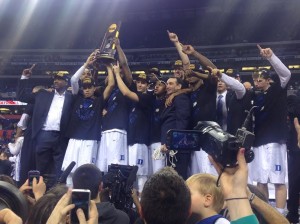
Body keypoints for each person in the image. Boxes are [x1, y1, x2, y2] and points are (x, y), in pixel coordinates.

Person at [249, 45, 291, 214]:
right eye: (255, 80)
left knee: (278, 180)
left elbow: (286, 73)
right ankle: (264, 213)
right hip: (258, 142)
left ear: (268, 80)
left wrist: (271, 57)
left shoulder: (277, 90)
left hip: (275, 142)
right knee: (261, 181)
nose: (257, 83)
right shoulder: (255, 96)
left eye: (260, 80)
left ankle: (280, 215)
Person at [62, 51, 114, 183]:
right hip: (74, 138)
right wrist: (86, 64)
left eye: (89, 87)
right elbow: (73, 80)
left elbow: (111, 85)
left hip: (90, 139)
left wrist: (108, 66)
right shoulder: (76, 97)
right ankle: (69, 195)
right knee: (69, 171)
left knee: (86, 172)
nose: (86, 89)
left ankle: (85, 196)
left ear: (93, 88)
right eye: (84, 87)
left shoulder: (99, 101)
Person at [17, 65, 73, 182]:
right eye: (55, 79)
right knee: (40, 170)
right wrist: (24, 78)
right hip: (44, 135)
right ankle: (39, 193)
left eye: (59, 79)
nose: (55, 81)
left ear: (66, 82)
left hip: (61, 137)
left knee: (59, 169)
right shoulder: (43, 94)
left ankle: (57, 194)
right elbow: (21, 96)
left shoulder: (71, 97)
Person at [114, 62, 152, 192]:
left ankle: (141, 205)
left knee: (141, 174)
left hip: (140, 141)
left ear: (148, 85)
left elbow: (125, 92)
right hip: (130, 141)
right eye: (138, 82)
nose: (140, 84)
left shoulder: (147, 97)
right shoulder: (134, 100)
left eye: (143, 82)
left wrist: (117, 74)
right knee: (130, 174)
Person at [160, 77, 191, 179]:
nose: (167, 86)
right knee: (172, 177)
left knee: (179, 177)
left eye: (171, 84)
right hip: (172, 145)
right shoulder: (171, 99)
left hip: (178, 146)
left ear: (179, 86)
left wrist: (173, 142)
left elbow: (182, 120)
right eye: (167, 84)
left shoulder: (180, 98)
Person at [149, 80, 167, 174]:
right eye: (155, 85)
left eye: (160, 85)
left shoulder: (167, 102)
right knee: (149, 172)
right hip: (149, 141)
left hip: (159, 141)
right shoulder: (151, 100)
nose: (156, 87)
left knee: (158, 171)